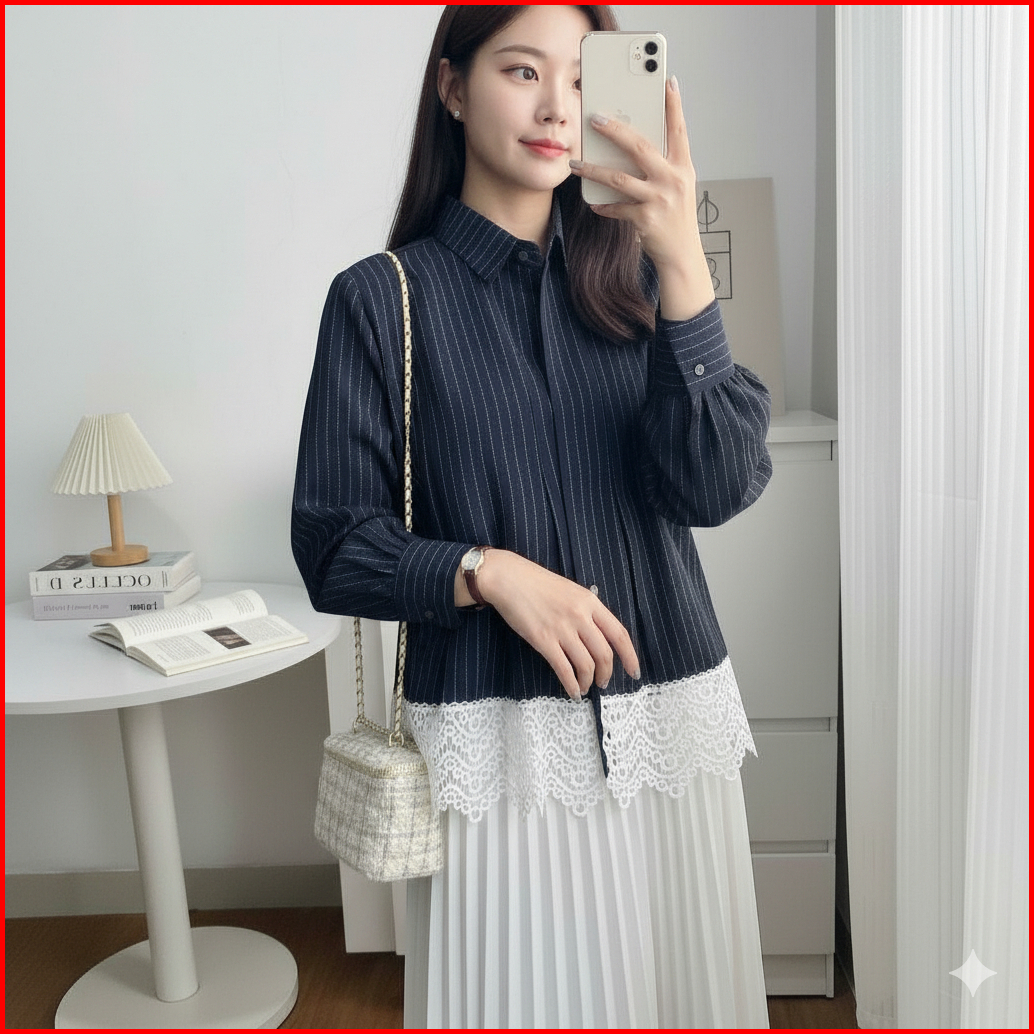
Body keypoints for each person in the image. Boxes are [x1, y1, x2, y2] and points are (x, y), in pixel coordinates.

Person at [293, 5, 772, 1027]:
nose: (559, 106)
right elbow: (332, 545)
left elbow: (719, 486)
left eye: (581, 77)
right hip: (499, 750)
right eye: (521, 71)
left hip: (670, 730)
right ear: (452, 87)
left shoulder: (642, 285)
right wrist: (487, 571)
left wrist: (683, 260)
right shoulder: (381, 301)